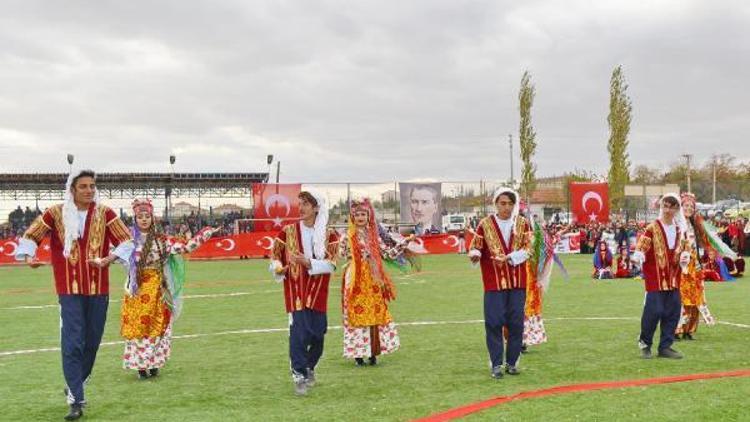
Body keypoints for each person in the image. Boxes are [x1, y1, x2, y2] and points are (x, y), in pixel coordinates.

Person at [14, 169, 133, 421]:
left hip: (98, 289)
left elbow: (127, 241)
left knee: (92, 342)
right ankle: (76, 400)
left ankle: (75, 384)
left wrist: (108, 258)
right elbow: (31, 235)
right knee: (73, 343)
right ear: (72, 189)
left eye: (92, 186)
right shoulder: (55, 213)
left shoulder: (106, 213)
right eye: (83, 186)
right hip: (68, 291)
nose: (89, 190)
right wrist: (29, 257)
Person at [120, 199, 216, 379]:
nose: (144, 219)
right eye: (140, 217)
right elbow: (113, 255)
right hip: (137, 291)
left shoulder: (162, 241)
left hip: (159, 290)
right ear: (135, 218)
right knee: (139, 327)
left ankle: (154, 363)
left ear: (152, 217)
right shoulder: (128, 242)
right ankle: (141, 366)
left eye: (147, 216)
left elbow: (186, 247)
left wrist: (205, 233)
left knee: (161, 326)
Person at [269, 190, 340, 395]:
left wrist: (307, 262)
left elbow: (332, 264)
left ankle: (309, 366)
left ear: (317, 208)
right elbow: (275, 257)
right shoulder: (287, 232)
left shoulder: (330, 235)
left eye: (306, 204)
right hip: (296, 291)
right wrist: (278, 267)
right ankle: (299, 374)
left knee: (318, 335)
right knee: (299, 334)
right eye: (299, 203)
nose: (301, 208)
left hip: (318, 292)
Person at [468, 188, 532, 378]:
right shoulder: (485, 224)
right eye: (502, 203)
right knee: (494, 322)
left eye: (510, 203)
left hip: (517, 282)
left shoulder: (522, 224)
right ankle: (496, 364)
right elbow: (476, 247)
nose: (506, 207)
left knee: (516, 323)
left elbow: (529, 248)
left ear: (515, 205)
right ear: (496, 203)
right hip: (494, 283)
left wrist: (510, 257)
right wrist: (475, 255)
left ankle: (512, 362)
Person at [339, 198, 405, 366]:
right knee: (356, 313)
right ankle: (358, 354)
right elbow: (342, 254)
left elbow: (387, 255)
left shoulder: (374, 236)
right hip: (356, 278)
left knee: (375, 313)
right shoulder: (347, 236)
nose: (360, 217)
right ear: (353, 217)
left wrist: (403, 245)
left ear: (369, 216)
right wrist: (360, 255)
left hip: (373, 279)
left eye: (363, 214)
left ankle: (373, 352)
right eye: (357, 214)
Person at [631, 194, 687, 360]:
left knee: (673, 312)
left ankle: (665, 347)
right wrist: (639, 254)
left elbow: (685, 248)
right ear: (661, 207)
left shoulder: (679, 229)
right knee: (653, 311)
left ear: (677, 209)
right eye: (666, 206)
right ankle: (645, 344)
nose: (668, 210)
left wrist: (685, 256)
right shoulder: (652, 227)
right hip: (655, 277)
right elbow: (643, 244)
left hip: (674, 278)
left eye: (672, 206)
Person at [675, 193, 715, 340]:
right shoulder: (677, 225)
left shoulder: (695, 225)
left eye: (692, 206)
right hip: (681, 267)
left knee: (695, 298)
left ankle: (689, 330)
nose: (689, 208)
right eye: (686, 206)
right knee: (681, 299)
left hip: (695, 267)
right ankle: (677, 329)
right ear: (681, 207)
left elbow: (705, 243)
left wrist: (709, 251)